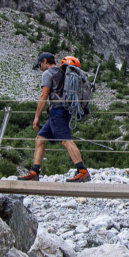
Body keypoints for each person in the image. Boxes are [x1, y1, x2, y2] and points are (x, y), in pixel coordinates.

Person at [18, 52, 91, 182]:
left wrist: (36, 117)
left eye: (40, 64)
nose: (39, 67)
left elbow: (43, 96)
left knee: (65, 140)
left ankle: (83, 171)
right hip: (64, 110)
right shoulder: (64, 72)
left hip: (57, 110)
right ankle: (34, 172)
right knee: (40, 138)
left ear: (45, 61)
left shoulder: (48, 73)